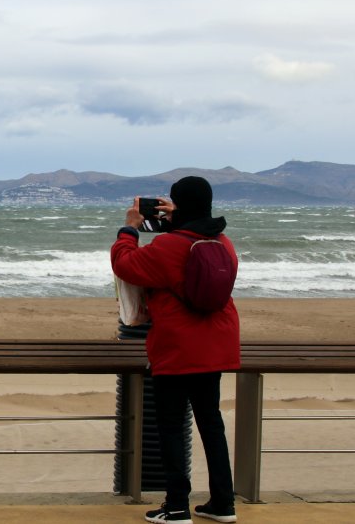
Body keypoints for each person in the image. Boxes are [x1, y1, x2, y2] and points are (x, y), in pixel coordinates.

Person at [111, 176, 240, 524]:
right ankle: (223, 503)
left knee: (169, 426)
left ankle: (177, 506)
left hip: (178, 348)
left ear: (180, 204)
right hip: (215, 345)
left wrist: (129, 229)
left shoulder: (169, 247)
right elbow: (187, 253)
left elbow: (126, 265)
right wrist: (178, 219)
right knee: (211, 424)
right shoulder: (224, 243)